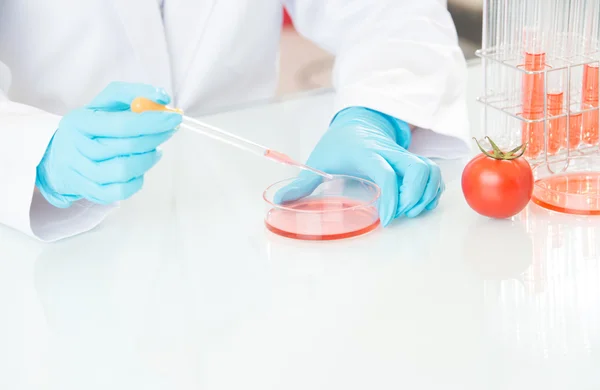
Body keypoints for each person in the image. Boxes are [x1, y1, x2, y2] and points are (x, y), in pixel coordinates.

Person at [0, 0, 470, 242]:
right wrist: (35, 155)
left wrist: (378, 111)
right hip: (42, 232)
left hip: (232, 218)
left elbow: (387, 11)